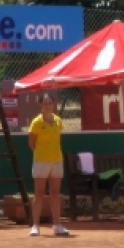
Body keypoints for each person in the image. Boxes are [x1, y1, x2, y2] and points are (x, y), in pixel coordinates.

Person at [27, 93, 70, 237]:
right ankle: (35, 226)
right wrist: (42, 154)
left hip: (57, 161)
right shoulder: (36, 122)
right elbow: (31, 143)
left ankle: (57, 225)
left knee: (55, 193)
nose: (47, 106)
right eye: (45, 103)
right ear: (40, 105)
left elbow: (58, 140)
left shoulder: (58, 121)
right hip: (41, 162)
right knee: (39, 194)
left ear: (53, 105)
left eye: (50, 103)